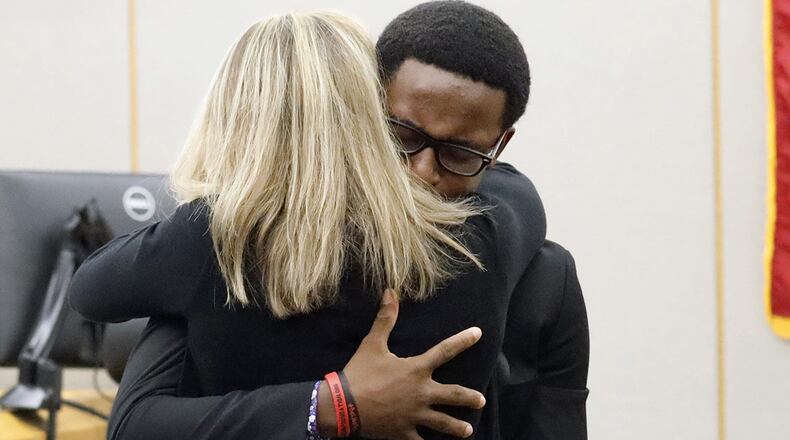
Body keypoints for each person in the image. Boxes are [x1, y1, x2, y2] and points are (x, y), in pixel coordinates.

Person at [85, 2, 589, 439]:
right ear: (365, 113)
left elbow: (95, 300)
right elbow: (516, 195)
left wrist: (330, 405)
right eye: (403, 136)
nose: (422, 173)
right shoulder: (498, 239)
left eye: (459, 154)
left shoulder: (216, 245)